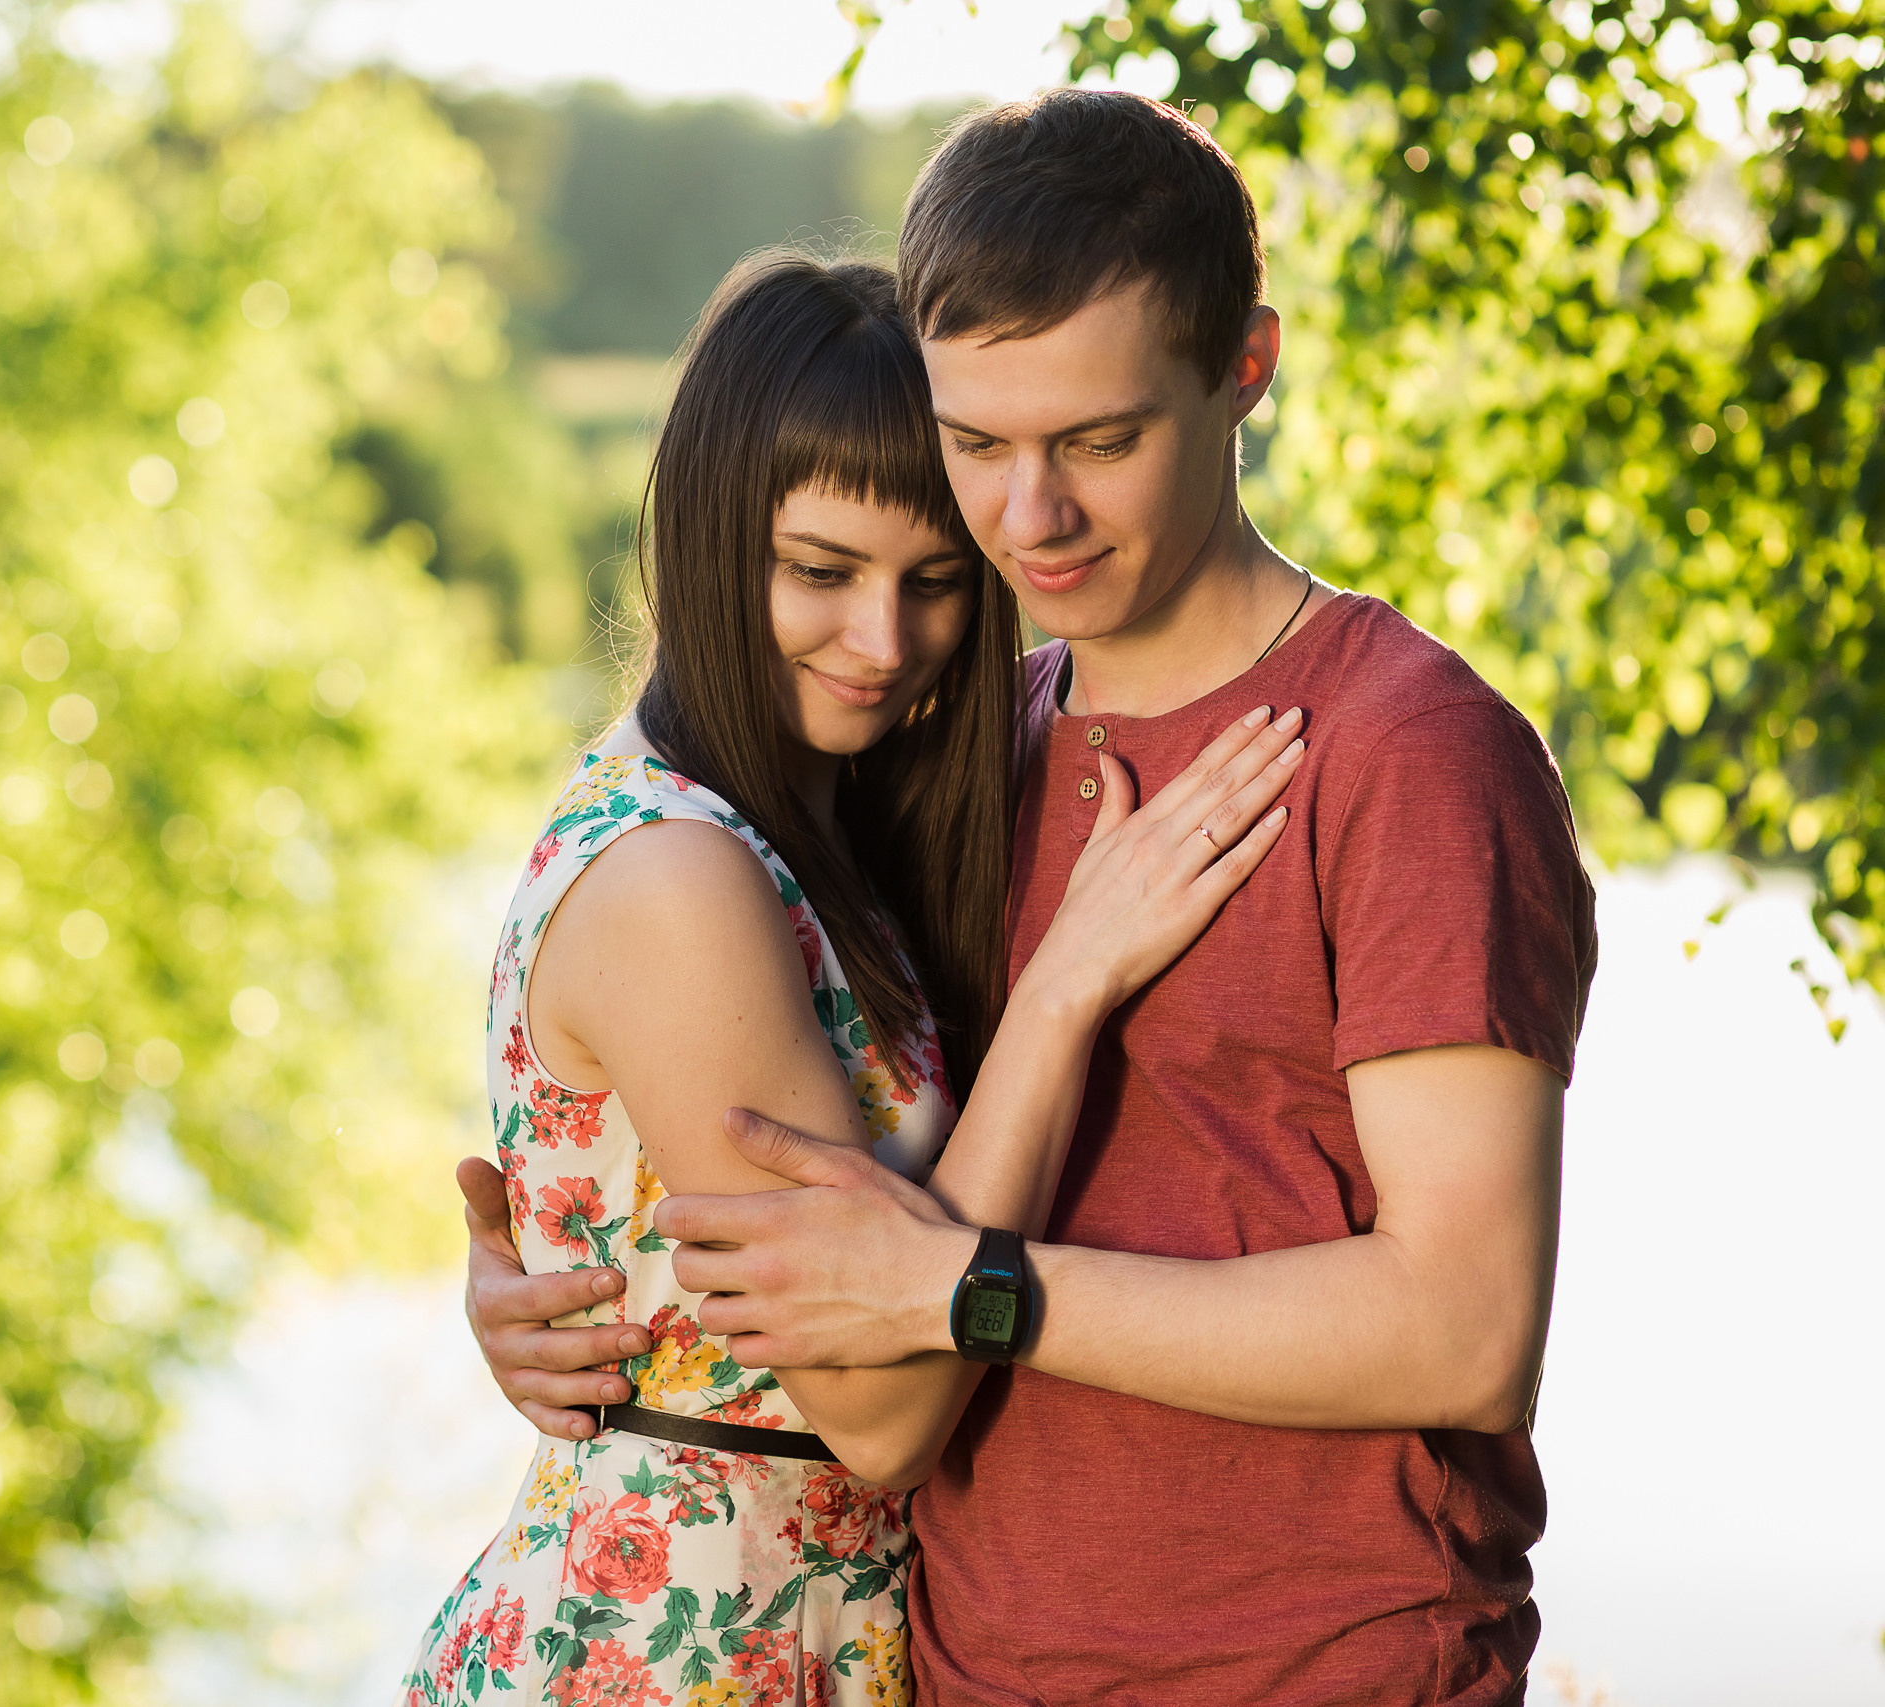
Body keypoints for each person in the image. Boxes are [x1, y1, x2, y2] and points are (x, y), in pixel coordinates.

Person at [463, 91, 1601, 1707]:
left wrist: (971, 1289)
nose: (1028, 517)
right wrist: (568, 1306)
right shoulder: (953, 741)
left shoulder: (1405, 754)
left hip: (1314, 1672)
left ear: (1245, 371)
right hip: (956, 1670)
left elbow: (1464, 1328)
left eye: (1100, 441)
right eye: (978, 445)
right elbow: (749, 1098)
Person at [408, 249, 1307, 1706]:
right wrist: (1067, 987)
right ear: (710, 530)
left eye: (936, 584)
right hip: (673, 1652)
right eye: (820, 572)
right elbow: (879, 1414)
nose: (884, 644)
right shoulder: (678, 877)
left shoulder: (820, 820)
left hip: (812, 1628)